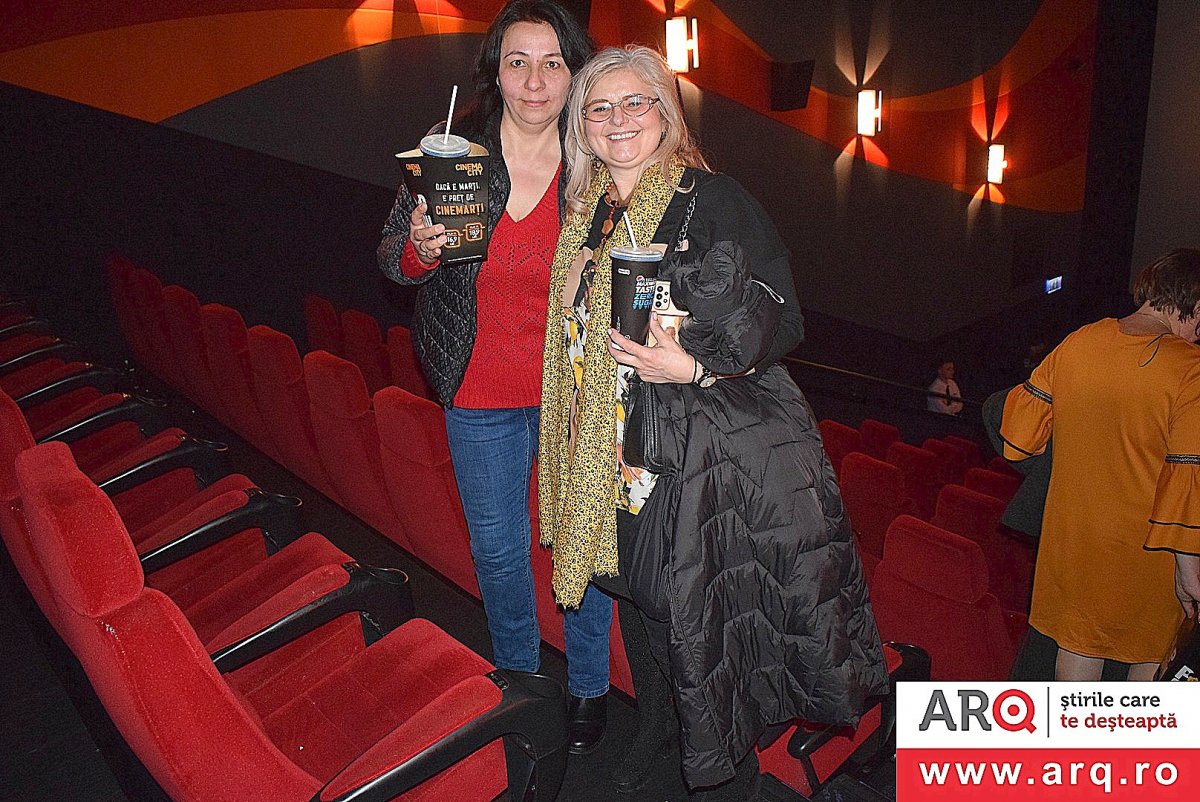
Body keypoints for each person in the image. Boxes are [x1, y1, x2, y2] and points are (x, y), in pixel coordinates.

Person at [537, 45, 887, 800]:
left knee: (690, 617)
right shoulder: (586, 216)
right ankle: (659, 735)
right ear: (581, 125)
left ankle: (724, 772)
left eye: (636, 102)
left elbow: (782, 317)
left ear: (666, 114)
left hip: (688, 452)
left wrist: (695, 365)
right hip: (606, 454)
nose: (618, 119)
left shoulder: (712, 199)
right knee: (637, 601)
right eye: (600, 107)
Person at [377, 1, 613, 752]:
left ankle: (588, 685)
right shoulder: (455, 154)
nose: (535, 81)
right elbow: (394, 261)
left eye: (552, 63)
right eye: (518, 62)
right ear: (495, 73)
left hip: (573, 392)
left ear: (574, 74)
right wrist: (419, 247)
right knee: (501, 553)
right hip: (477, 389)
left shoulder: (599, 165)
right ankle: (520, 678)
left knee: (579, 545)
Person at [999, 248, 1200, 681]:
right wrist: (1190, 575)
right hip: (1148, 552)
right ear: (1194, 304)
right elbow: (1186, 476)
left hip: (1072, 541)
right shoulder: (1191, 369)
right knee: (1145, 672)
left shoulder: (1080, 340)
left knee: (1076, 652)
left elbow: (1017, 438)